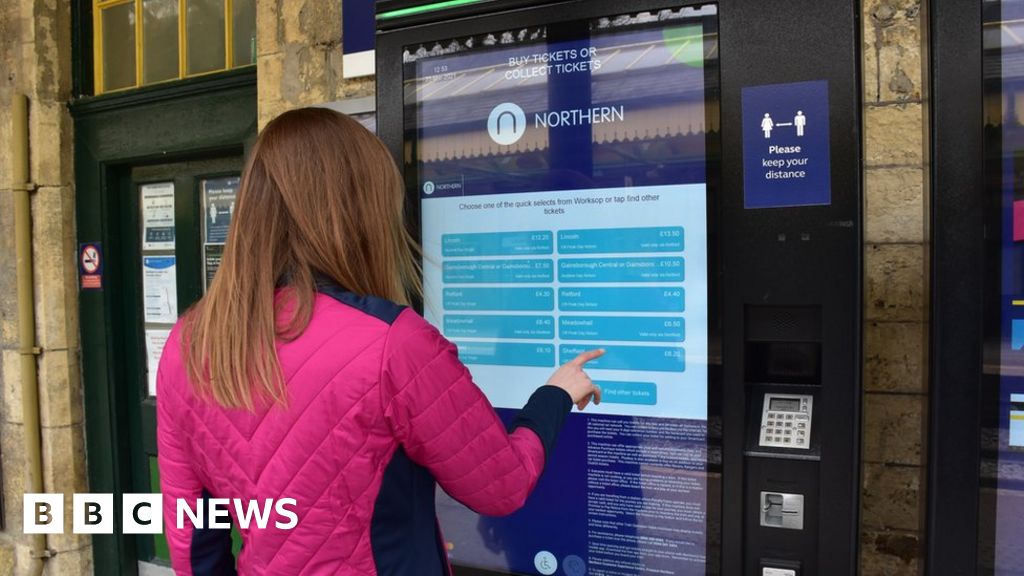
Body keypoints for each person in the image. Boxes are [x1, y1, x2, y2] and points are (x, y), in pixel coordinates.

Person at [156, 107, 603, 576]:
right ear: (359, 211)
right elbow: (501, 485)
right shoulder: (392, 344)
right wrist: (554, 397)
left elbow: (192, 538)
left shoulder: (189, 344)